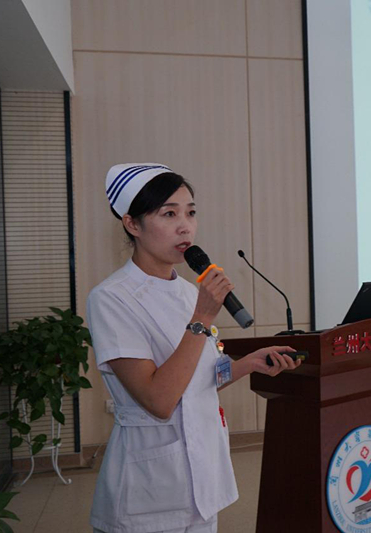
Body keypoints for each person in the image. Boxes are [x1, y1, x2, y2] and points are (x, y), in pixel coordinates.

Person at [87, 163, 300, 533]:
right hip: (149, 486)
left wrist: (248, 364)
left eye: (191, 212)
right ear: (132, 224)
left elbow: (200, 379)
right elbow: (159, 399)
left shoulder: (190, 292)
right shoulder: (111, 298)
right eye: (169, 214)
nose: (185, 226)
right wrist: (201, 317)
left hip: (204, 475)